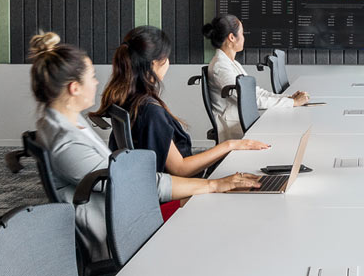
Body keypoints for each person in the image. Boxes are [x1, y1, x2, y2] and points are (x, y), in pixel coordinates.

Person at [27, 31, 261, 263]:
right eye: (91, 76)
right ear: (74, 88)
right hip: (122, 228)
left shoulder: (64, 121)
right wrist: (213, 184)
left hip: (124, 210)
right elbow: (132, 185)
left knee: (217, 199)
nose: (97, 81)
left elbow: (129, 180)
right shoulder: (66, 141)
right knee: (220, 208)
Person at [97, 25, 271, 218]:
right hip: (164, 205)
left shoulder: (129, 100)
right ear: (156, 63)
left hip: (146, 201)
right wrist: (230, 145)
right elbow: (180, 169)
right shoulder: (150, 111)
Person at [202, 14, 308, 141]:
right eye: (242, 34)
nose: (244, 38)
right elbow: (250, 101)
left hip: (242, 121)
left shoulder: (232, 63)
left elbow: (255, 93)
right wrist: (292, 103)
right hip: (236, 128)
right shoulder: (220, 67)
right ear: (232, 37)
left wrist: (287, 97)